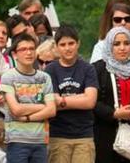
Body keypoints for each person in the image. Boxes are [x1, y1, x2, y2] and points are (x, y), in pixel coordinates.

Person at [92, 27, 130, 163]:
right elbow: (93, 102)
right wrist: (114, 113)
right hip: (106, 135)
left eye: (126, 43)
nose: (122, 48)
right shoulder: (98, 69)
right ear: (109, 46)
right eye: (116, 44)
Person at [45, 25, 98, 163]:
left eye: (71, 43)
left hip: (84, 136)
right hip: (58, 135)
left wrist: (62, 100)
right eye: (62, 44)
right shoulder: (51, 70)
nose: (67, 48)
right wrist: (80, 97)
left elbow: (90, 102)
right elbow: (51, 103)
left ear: (78, 43)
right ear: (56, 47)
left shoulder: (88, 68)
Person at [1, 32, 57, 163]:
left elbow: (52, 111)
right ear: (15, 54)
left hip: (40, 140)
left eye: (32, 49)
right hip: (17, 140)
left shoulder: (44, 77)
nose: (28, 53)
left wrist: (27, 117)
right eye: (23, 49)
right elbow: (16, 110)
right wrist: (42, 106)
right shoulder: (8, 77)